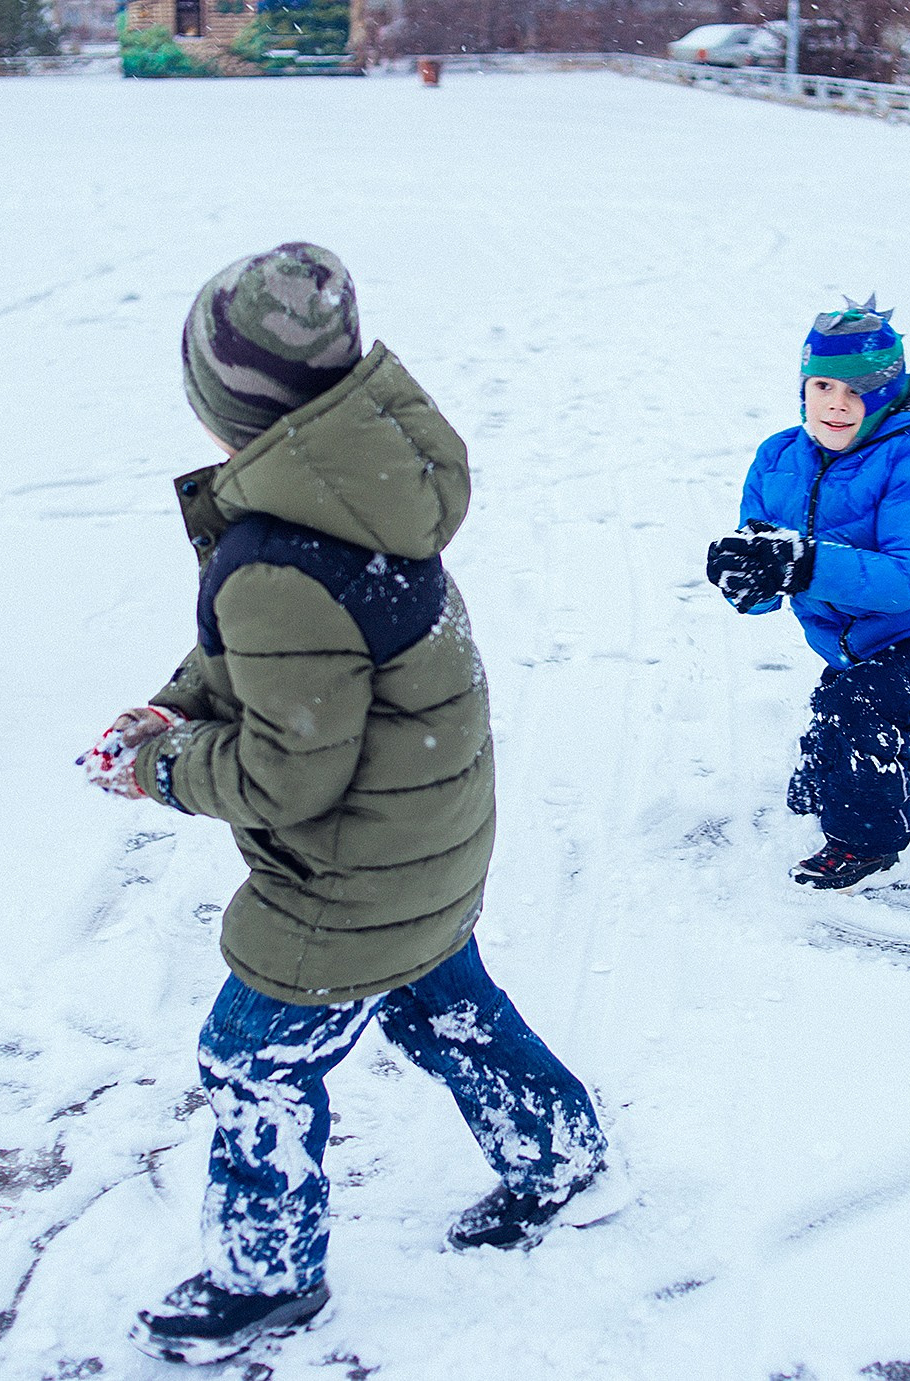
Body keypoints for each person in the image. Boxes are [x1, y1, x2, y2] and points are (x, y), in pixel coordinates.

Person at [82, 244, 620, 1366]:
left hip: (347, 883)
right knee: (441, 999)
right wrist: (173, 701)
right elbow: (279, 660)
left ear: (220, 403)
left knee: (253, 1060)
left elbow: (288, 770)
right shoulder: (362, 481)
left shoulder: (279, 553)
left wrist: (162, 768)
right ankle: (553, 1150)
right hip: (423, 844)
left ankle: (266, 1278)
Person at [706, 297, 910, 889]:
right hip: (858, 649)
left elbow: (907, 578)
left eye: (859, 391)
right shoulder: (777, 457)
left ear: (886, 396)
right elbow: (767, 578)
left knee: (854, 712)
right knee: (813, 786)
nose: (838, 404)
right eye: (824, 385)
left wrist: (802, 565)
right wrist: (748, 577)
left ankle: (865, 849)